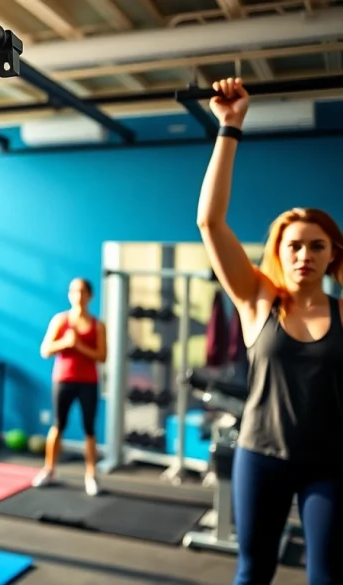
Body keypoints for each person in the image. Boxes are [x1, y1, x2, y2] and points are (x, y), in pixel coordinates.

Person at [196, 77, 343, 585]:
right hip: (261, 455)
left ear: (333, 254)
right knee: (252, 574)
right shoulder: (257, 299)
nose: (304, 255)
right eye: (293, 245)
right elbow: (210, 223)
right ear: (279, 252)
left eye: (317, 245)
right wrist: (229, 127)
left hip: (330, 463)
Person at [34, 277, 107, 496]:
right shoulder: (60, 320)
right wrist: (65, 342)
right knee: (58, 425)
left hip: (89, 382)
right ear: (69, 295)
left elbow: (102, 356)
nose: (78, 295)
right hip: (64, 379)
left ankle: (91, 475)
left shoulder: (98, 325)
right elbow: (45, 350)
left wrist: (79, 345)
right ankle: (49, 470)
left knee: (89, 429)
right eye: (74, 291)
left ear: (90, 296)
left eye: (82, 291)